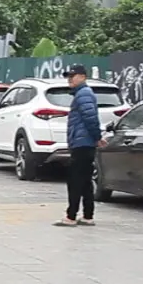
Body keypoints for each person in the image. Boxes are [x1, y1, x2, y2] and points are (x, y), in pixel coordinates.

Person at [55, 64, 106, 227]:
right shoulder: (82, 94)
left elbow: (90, 117)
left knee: (75, 180)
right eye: (69, 76)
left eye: (73, 76)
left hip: (82, 143)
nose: (70, 79)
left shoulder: (84, 94)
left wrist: (97, 137)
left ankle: (71, 216)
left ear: (83, 77)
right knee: (84, 180)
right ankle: (87, 215)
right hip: (84, 142)